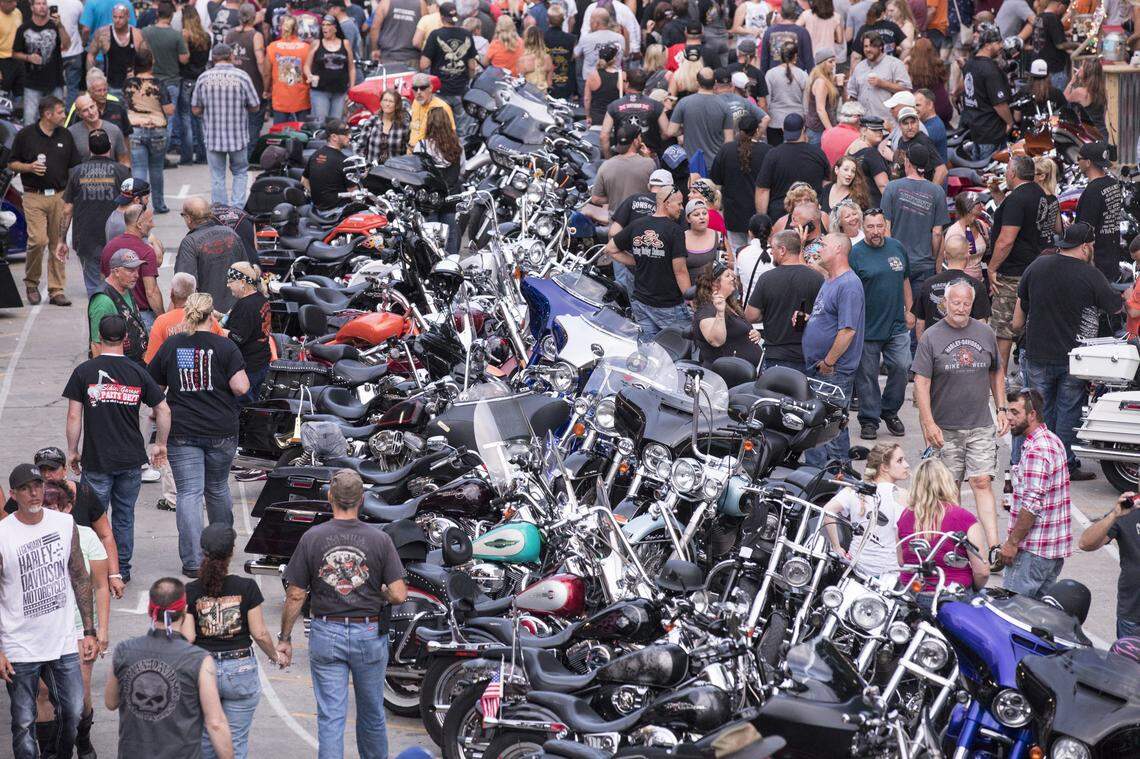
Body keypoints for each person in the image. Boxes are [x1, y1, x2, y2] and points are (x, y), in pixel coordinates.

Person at [277, 469, 408, 759]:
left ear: (329, 497)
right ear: (361, 500)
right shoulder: (380, 540)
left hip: (326, 632)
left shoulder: (312, 538)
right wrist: (381, 592)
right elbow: (399, 594)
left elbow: (296, 594)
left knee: (331, 717)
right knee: (372, 713)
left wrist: (285, 638)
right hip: (368, 633)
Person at [1, 463, 98, 759]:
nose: (34, 493)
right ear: (14, 495)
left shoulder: (63, 524)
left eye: (38, 486)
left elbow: (80, 575)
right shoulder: (3, 534)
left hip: (64, 639)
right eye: (27, 488)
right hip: (19, 643)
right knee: (23, 722)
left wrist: (90, 630)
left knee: (73, 711)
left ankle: (56, 754)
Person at [65, 312, 170, 585]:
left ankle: (93, 566)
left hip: (97, 458)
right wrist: (160, 445)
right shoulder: (138, 372)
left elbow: (74, 416)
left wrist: (72, 450)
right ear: (126, 339)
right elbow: (163, 408)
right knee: (124, 516)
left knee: (91, 516)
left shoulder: (84, 372)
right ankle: (121, 568)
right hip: (130, 459)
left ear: (99, 339)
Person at [148, 292, 248, 576]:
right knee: (217, 488)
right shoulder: (225, 347)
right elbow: (241, 387)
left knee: (189, 494)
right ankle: (220, 552)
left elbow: (154, 385)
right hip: (221, 429)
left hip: (183, 431)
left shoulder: (173, 345)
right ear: (211, 314)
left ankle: (192, 561)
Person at [1013, 222, 1121, 478]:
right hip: (1073, 358)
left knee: (1035, 411)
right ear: (1085, 247)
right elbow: (1115, 307)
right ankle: (1063, 466)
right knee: (1068, 411)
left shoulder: (1037, 266)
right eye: (1092, 246)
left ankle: (1026, 463)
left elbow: (1022, 307)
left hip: (1037, 352)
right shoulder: (1089, 274)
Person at [913, 279, 1005, 554]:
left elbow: (996, 371)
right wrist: (928, 423)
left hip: (979, 424)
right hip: (945, 427)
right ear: (945, 304)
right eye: (956, 302)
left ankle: (994, 547)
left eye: (966, 303)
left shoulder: (985, 333)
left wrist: (1001, 408)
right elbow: (921, 382)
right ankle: (953, 545)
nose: (961, 308)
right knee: (948, 490)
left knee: (982, 481)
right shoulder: (931, 336)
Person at [182, 524, 283, 759]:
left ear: (202, 551)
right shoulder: (246, 587)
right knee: (235, 741)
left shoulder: (191, 590)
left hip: (203, 668)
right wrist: (275, 655)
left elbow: (188, 637)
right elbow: (259, 633)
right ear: (232, 551)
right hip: (240, 669)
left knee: (207, 737)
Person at [107, 577, 234, 759]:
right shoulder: (199, 659)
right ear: (184, 610)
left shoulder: (123, 651)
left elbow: (111, 702)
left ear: (150, 610)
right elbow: (215, 723)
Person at [36, 477, 109, 759]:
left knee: (78, 697)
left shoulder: (87, 537)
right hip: (42, 630)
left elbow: (100, 586)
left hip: (79, 629)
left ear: (68, 508)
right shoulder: (26, 537)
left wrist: (101, 629)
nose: (50, 512)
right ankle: (50, 751)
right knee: (42, 693)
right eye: (45, 506)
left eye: (56, 506)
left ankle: (84, 739)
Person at [999, 388, 1072, 598]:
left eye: (1015, 412)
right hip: (1051, 552)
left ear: (1032, 415)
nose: (1009, 418)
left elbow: (1032, 505)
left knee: (1013, 614)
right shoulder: (1052, 440)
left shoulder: (1036, 451)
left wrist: (1012, 543)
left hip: (1031, 552)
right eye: (1007, 411)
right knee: (1038, 620)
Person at [8, 95, 81, 306]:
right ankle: (31, 283)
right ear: (47, 115)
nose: (64, 115)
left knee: (58, 243)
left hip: (60, 195)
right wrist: (29, 167)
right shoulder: (25, 135)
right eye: (60, 112)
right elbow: (12, 163)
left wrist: (71, 196)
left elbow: (73, 166)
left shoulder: (65, 135)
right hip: (33, 196)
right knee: (38, 241)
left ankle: (56, 290)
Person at [802, 233, 866, 466]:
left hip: (833, 371)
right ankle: (816, 476)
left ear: (838, 248)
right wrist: (810, 320)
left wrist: (829, 362)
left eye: (823, 244)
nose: (818, 248)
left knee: (830, 428)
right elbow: (830, 318)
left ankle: (839, 477)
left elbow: (848, 330)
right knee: (818, 426)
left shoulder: (849, 284)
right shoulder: (830, 280)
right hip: (820, 368)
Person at [851, 209, 912, 440]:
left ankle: (889, 410)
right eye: (871, 227)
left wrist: (910, 310)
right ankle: (869, 420)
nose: (876, 232)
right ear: (863, 228)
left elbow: (905, 279)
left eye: (879, 226)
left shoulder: (897, 247)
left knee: (902, 367)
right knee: (867, 376)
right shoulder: (855, 254)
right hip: (867, 328)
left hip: (896, 325)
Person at [602, 184, 690, 339]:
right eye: (679, 203)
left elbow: (610, 249)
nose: (681, 208)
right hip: (669, 305)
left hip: (641, 302)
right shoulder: (675, 231)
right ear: (667, 203)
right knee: (680, 348)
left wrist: (638, 259)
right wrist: (691, 298)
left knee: (648, 351)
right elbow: (680, 271)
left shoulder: (638, 224)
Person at [987, 155, 1048, 372]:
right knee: (1028, 327)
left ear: (1012, 174)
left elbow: (1006, 240)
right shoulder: (1039, 194)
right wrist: (997, 195)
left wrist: (992, 267)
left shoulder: (1017, 200)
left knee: (1003, 331)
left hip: (1012, 275)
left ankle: (999, 380)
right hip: (1035, 270)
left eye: (1007, 171)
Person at [897, 459, 991, 591]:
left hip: (912, 590)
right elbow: (982, 571)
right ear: (947, 482)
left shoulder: (905, 516)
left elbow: (901, 561)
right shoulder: (964, 517)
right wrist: (974, 589)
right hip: (951, 593)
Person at [59, 129, 132, 297]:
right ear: (110, 146)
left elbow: (67, 209)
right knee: (120, 290)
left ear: (89, 148)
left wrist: (61, 240)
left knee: (95, 292)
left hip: (86, 239)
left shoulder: (76, 172)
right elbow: (133, 204)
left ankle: (99, 320)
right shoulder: (122, 171)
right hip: (117, 239)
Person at [824, 443, 908, 577]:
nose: (906, 465)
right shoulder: (902, 495)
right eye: (900, 460)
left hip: (857, 567)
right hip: (889, 572)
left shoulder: (853, 489)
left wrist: (836, 546)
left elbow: (827, 511)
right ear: (884, 467)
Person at [746, 229, 824, 371]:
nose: (771, 252)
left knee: (774, 394)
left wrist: (769, 312)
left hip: (776, 356)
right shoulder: (817, 278)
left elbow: (751, 315)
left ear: (782, 250)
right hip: (808, 355)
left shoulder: (767, 279)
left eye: (773, 248)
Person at [193, 43, 260, 207]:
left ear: (213, 58)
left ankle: (220, 210)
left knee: (217, 175)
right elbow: (255, 105)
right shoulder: (242, 76)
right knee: (240, 172)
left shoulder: (204, 78)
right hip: (237, 136)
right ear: (231, 56)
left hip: (213, 137)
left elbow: (195, 109)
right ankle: (237, 209)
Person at [881, 143, 949, 291]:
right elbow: (937, 233)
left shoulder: (892, 187)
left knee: (899, 310)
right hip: (924, 265)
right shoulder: (937, 192)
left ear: (907, 162)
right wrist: (933, 259)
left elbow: (885, 228)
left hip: (897, 262)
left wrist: (891, 257)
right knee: (919, 311)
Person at [1079, 490, 1140, 637]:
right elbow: (1085, 544)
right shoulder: (1128, 510)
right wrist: (1114, 516)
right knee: (1127, 660)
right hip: (1133, 615)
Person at [176, 196, 251, 312]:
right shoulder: (231, 233)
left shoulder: (190, 243)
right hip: (236, 310)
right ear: (210, 214)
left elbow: (185, 285)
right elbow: (246, 270)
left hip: (207, 314)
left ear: (189, 218)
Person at [123, 48, 174, 215]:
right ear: (151, 63)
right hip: (157, 129)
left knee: (138, 169)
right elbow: (169, 110)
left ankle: (138, 205)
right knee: (156, 169)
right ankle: (159, 204)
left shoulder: (129, 83)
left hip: (135, 129)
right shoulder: (159, 84)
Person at [754, 113, 830, 220]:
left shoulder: (773, 155)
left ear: (783, 129)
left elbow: (762, 190)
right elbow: (826, 186)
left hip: (780, 217)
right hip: (811, 216)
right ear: (803, 129)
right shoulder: (818, 154)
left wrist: (762, 220)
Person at [710, 114, 768, 252]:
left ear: (738, 129)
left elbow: (715, 180)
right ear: (757, 130)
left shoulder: (726, 150)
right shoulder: (766, 151)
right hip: (758, 213)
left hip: (733, 213)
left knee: (737, 252)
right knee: (757, 252)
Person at [912, 236, 990, 338]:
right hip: (964, 348)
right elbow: (981, 324)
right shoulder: (977, 286)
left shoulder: (927, 284)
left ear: (944, 255)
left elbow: (920, 322)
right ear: (967, 256)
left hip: (933, 345)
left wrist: (922, 347)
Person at [102, 204, 164, 330]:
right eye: (150, 221)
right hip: (142, 317)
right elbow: (151, 292)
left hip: (114, 316)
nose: (153, 225)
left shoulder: (109, 247)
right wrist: (163, 320)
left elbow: (103, 281)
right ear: (139, 225)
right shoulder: (146, 251)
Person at [692, 261, 762, 367]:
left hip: (742, 373)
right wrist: (720, 313)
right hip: (725, 375)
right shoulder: (707, 310)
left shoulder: (730, 305)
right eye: (727, 276)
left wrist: (754, 334)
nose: (733, 278)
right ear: (714, 284)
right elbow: (716, 341)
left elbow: (738, 331)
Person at [419, 2, 476, 131]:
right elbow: (472, 66)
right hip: (461, 91)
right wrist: (468, 80)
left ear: (441, 16)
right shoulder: (466, 34)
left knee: (440, 132)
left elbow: (424, 64)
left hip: (440, 91)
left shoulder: (435, 35)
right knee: (462, 134)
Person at [959, 23, 1012, 160]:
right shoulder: (990, 70)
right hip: (991, 134)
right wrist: (1010, 122)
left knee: (979, 173)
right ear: (988, 45)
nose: (1001, 46)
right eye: (998, 42)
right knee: (990, 175)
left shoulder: (970, 64)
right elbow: (999, 104)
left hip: (976, 130)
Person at [13, 0, 70, 126]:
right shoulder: (24, 28)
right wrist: (29, 57)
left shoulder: (55, 26)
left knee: (59, 118)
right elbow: (15, 53)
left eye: (44, 4)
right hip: (32, 82)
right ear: (32, 7)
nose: (42, 7)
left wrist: (60, 25)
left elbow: (67, 45)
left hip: (55, 81)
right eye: (38, 4)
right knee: (30, 120)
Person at [222, 3, 267, 160]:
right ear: (253, 17)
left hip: (232, 86)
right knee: (253, 124)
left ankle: (236, 155)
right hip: (253, 85)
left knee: (235, 124)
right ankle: (245, 157)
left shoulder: (229, 34)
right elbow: (261, 62)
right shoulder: (256, 36)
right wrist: (266, 84)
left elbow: (223, 58)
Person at [1075, 141, 1125, 281]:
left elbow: (1086, 232)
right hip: (1112, 254)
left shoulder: (1093, 191)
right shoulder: (1112, 183)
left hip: (1097, 262)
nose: (1077, 162)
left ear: (1088, 162)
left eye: (1079, 159)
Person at [88, 249, 149, 359]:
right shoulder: (103, 301)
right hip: (119, 371)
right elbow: (97, 345)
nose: (137, 275)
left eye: (137, 270)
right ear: (116, 272)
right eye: (131, 270)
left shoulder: (125, 287)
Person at [665, 66, 735, 162]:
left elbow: (671, 131)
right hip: (715, 164)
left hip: (692, 163)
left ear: (697, 83)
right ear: (715, 83)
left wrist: (684, 130)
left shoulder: (684, 103)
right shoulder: (724, 106)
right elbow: (729, 141)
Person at [224, 262, 270, 402]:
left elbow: (237, 337)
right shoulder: (260, 298)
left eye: (231, 281)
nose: (228, 285)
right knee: (253, 408)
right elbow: (250, 326)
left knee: (241, 409)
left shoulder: (245, 306)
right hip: (261, 363)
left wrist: (218, 330)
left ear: (242, 282)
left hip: (248, 368)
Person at [600, 67, 667, 158]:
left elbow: (604, 136)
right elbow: (666, 132)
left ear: (627, 84)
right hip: (650, 157)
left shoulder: (614, 106)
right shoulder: (656, 105)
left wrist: (609, 159)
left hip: (623, 158)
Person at [846, 32, 910, 126]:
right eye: (865, 46)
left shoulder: (895, 64)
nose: (868, 49)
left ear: (880, 47)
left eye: (872, 46)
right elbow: (852, 94)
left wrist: (882, 83)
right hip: (864, 125)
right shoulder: (859, 67)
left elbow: (906, 90)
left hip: (887, 124)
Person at [85, 3, 148, 98]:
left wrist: (137, 73)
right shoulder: (103, 33)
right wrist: (92, 77)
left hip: (132, 88)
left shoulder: (137, 34)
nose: (117, 20)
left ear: (128, 17)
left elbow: (148, 59)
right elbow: (91, 55)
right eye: (115, 17)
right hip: (110, 87)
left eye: (121, 17)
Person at [590, 123, 655, 212]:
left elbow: (595, 199)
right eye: (640, 137)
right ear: (636, 141)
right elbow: (657, 192)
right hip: (641, 220)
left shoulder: (606, 165)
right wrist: (648, 157)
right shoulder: (649, 163)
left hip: (615, 221)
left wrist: (616, 198)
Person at [305, 14, 354, 123]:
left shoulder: (345, 43)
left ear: (335, 28)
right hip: (320, 90)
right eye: (323, 25)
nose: (324, 28)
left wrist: (352, 89)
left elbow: (351, 68)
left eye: (328, 25)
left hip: (340, 91)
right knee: (321, 123)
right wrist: (309, 75)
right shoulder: (316, 43)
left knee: (336, 124)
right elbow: (307, 65)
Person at [177, 6, 210, 164]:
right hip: (201, 78)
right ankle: (203, 154)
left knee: (185, 117)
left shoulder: (185, 35)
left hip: (187, 78)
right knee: (200, 118)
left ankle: (187, 155)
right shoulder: (206, 36)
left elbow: (184, 58)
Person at [265, 15, 311, 123]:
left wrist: (266, 90)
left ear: (281, 27)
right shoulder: (306, 47)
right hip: (301, 99)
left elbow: (266, 73)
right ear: (296, 29)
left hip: (280, 99)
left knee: (279, 135)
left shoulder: (273, 47)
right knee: (302, 134)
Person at [763, 41, 808, 146]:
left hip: (775, 120)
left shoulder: (770, 74)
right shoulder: (803, 75)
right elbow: (805, 102)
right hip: (797, 121)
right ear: (795, 56)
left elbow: (767, 100)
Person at [302, 118, 353, 210]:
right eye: (345, 133)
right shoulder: (345, 161)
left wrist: (318, 198)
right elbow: (354, 194)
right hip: (339, 212)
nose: (349, 136)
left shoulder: (315, 155)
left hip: (317, 211)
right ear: (334, 137)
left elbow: (304, 181)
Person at [68, 93, 130, 164]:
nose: (91, 112)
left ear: (96, 105)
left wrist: (126, 174)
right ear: (79, 114)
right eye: (85, 110)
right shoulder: (71, 133)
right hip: (83, 174)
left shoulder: (114, 130)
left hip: (111, 174)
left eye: (92, 107)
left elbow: (123, 160)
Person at [844, 115, 890, 206]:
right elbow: (883, 186)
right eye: (874, 130)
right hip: (875, 206)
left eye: (880, 130)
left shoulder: (851, 149)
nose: (879, 133)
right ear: (863, 131)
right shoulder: (871, 153)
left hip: (856, 204)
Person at [941, 192, 989, 280]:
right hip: (960, 282)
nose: (981, 205)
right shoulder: (954, 232)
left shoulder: (981, 225)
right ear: (969, 208)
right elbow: (947, 260)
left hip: (980, 281)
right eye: (978, 203)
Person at [760, 0, 813, 73]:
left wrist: (764, 79)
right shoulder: (802, 32)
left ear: (781, 13)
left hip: (774, 76)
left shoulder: (769, 31)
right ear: (795, 13)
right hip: (797, 77)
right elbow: (809, 60)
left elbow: (764, 60)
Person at [683, 197, 728, 279]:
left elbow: (730, 265)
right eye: (696, 214)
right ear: (688, 219)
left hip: (714, 287)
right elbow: (679, 271)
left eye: (704, 213)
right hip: (690, 288)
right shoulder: (681, 238)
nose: (702, 217)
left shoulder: (719, 236)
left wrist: (728, 262)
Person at [408, 71, 454, 149]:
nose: (418, 92)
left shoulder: (442, 107)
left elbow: (451, 135)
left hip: (430, 155)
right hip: (412, 152)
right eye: (415, 89)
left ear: (430, 88)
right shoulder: (416, 102)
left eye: (422, 88)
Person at [1015, 59, 1066, 129]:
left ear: (1031, 76)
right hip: (1049, 137)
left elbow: (1017, 118)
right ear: (1048, 75)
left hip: (1027, 137)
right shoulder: (1057, 93)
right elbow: (1064, 116)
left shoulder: (1022, 92)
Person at [364, 88, 411, 165]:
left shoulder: (404, 125)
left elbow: (409, 150)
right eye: (385, 100)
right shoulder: (372, 121)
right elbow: (360, 147)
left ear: (397, 105)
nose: (387, 104)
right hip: (372, 170)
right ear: (381, 102)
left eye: (391, 101)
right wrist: (363, 167)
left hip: (394, 171)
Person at [1064, 57, 1107, 139]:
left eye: (1082, 66)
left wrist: (1071, 82)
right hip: (1102, 133)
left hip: (1089, 135)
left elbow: (1064, 99)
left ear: (1087, 72)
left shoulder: (1080, 92)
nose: (1079, 68)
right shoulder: (1103, 91)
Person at [1030, 0, 1068, 92]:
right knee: (1056, 100)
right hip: (1054, 69)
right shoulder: (1053, 18)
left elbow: (1045, 35)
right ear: (1059, 4)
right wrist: (1078, 45)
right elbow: (1060, 45)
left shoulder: (1039, 17)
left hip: (1039, 69)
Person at [804, 48, 839, 145]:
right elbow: (820, 109)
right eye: (830, 62)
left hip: (818, 130)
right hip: (818, 131)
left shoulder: (823, 79)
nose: (834, 64)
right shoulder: (821, 82)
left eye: (834, 61)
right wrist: (831, 131)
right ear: (822, 63)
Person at [371, 0, 422, 66]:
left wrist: (375, 49)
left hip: (389, 57)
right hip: (412, 58)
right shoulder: (420, 3)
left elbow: (375, 27)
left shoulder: (385, 2)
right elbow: (425, 28)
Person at [584, 43, 622, 129]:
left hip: (597, 120)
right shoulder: (621, 76)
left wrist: (588, 116)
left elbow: (587, 99)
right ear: (614, 59)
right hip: (614, 121)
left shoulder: (592, 76)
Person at [544, 3, 576, 100]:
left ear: (548, 20)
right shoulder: (571, 39)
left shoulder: (542, 37)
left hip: (546, 83)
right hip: (565, 84)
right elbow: (572, 58)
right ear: (563, 20)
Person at [821, 100, 863, 166]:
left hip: (826, 173)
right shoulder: (858, 138)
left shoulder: (827, 133)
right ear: (857, 118)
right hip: (844, 174)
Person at [914, 88, 948, 164]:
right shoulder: (927, 123)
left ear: (930, 105)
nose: (914, 109)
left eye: (918, 105)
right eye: (913, 106)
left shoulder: (934, 127)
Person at [520, 24, 552, 90]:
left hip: (528, 95)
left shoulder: (523, 59)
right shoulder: (547, 58)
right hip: (543, 95)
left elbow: (520, 81)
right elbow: (549, 83)